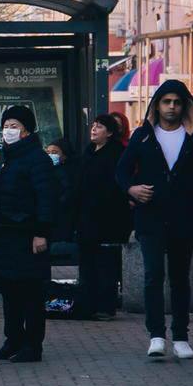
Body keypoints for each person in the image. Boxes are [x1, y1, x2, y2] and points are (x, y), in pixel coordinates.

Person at [115, 80, 193, 359]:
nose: (172, 107)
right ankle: (155, 335)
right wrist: (131, 188)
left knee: (179, 277)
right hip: (150, 216)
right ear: (157, 105)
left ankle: (180, 336)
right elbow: (121, 172)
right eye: (166, 102)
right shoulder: (143, 135)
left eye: (177, 102)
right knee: (153, 275)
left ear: (185, 105)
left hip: (185, 216)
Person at [0, 105, 59, 363]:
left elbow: (47, 199)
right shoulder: (6, 158)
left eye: (14, 126)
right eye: (6, 126)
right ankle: (12, 339)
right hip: (5, 236)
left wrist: (41, 233)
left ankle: (32, 345)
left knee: (31, 294)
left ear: (26, 131)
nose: (8, 131)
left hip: (27, 237)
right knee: (10, 293)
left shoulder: (38, 159)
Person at [74, 115, 131, 320]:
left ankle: (106, 306)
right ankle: (87, 303)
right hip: (86, 216)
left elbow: (115, 185)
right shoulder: (88, 152)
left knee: (106, 263)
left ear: (110, 132)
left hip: (108, 217)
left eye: (99, 127)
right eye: (93, 126)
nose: (94, 130)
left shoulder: (116, 153)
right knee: (87, 262)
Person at [46, 138, 78, 245]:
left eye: (54, 152)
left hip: (63, 216)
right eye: (48, 152)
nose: (50, 155)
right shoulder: (49, 170)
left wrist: (58, 204)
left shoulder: (66, 171)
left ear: (64, 155)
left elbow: (69, 191)